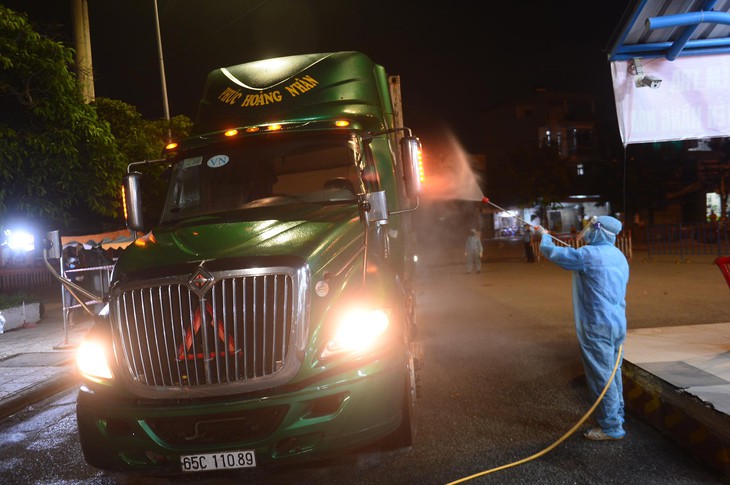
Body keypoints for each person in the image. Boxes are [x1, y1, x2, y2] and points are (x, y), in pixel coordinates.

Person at [536, 215, 629, 441]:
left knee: (601, 376)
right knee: (613, 373)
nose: (587, 231)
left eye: (591, 227)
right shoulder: (618, 255)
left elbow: (557, 255)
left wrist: (545, 237)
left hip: (597, 325)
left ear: (599, 231)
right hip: (617, 324)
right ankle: (616, 415)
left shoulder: (588, 255)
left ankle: (611, 427)